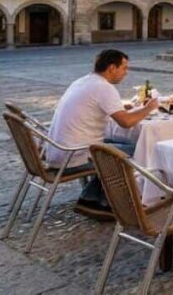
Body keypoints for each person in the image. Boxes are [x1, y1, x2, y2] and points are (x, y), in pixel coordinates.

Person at [46, 49, 159, 219]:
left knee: (124, 145)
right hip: (74, 155)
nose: (126, 73)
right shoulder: (104, 87)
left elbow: (98, 106)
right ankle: (114, 201)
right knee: (138, 149)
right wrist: (149, 108)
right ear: (112, 68)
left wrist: (124, 107)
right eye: (124, 68)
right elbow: (126, 122)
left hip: (58, 150)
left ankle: (92, 198)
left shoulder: (83, 81)